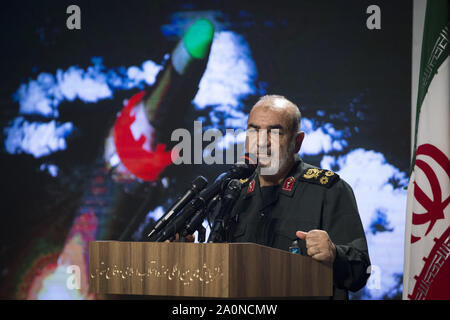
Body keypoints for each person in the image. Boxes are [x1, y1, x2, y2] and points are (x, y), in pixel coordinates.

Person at [227, 94, 371, 300]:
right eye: (254, 130)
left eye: (275, 132)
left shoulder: (329, 190)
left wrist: (334, 255)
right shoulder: (234, 193)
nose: (261, 142)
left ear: (297, 141)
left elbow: (361, 273)